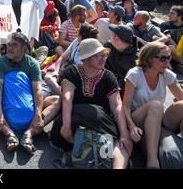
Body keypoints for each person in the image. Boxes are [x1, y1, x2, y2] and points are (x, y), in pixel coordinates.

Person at [51, 39, 132, 169]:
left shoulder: (108, 76)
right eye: (97, 55)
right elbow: (67, 98)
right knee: (104, 131)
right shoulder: (72, 71)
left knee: (122, 142)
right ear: (86, 58)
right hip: (72, 119)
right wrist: (66, 126)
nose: (103, 58)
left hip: (100, 122)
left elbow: (117, 105)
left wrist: (124, 133)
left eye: (104, 55)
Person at [0, 32, 60, 154]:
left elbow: (37, 90)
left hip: (27, 104)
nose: (10, 48)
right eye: (8, 45)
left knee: (57, 100)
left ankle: (29, 133)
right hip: (5, 105)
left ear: (24, 48)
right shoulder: (0, 62)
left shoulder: (32, 63)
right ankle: (8, 132)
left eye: (14, 45)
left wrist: (38, 114)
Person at [123, 42, 183, 168]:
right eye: (163, 58)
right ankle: (152, 161)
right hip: (138, 119)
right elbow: (125, 105)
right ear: (149, 59)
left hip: (158, 118)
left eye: (169, 57)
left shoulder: (167, 74)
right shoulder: (135, 74)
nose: (167, 61)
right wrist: (131, 126)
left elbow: (181, 97)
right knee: (156, 105)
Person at [44, 23, 100, 95]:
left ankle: (64, 97)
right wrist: (56, 71)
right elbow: (63, 57)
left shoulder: (91, 54)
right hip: (67, 74)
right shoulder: (77, 42)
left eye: (77, 32)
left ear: (83, 37)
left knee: (48, 79)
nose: (76, 34)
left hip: (77, 82)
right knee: (48, 77)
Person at [104, 24, 139, 90]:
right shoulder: (108, 46)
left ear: (116, 38)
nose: (109, 38)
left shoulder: (136, 59)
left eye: (111, 35)